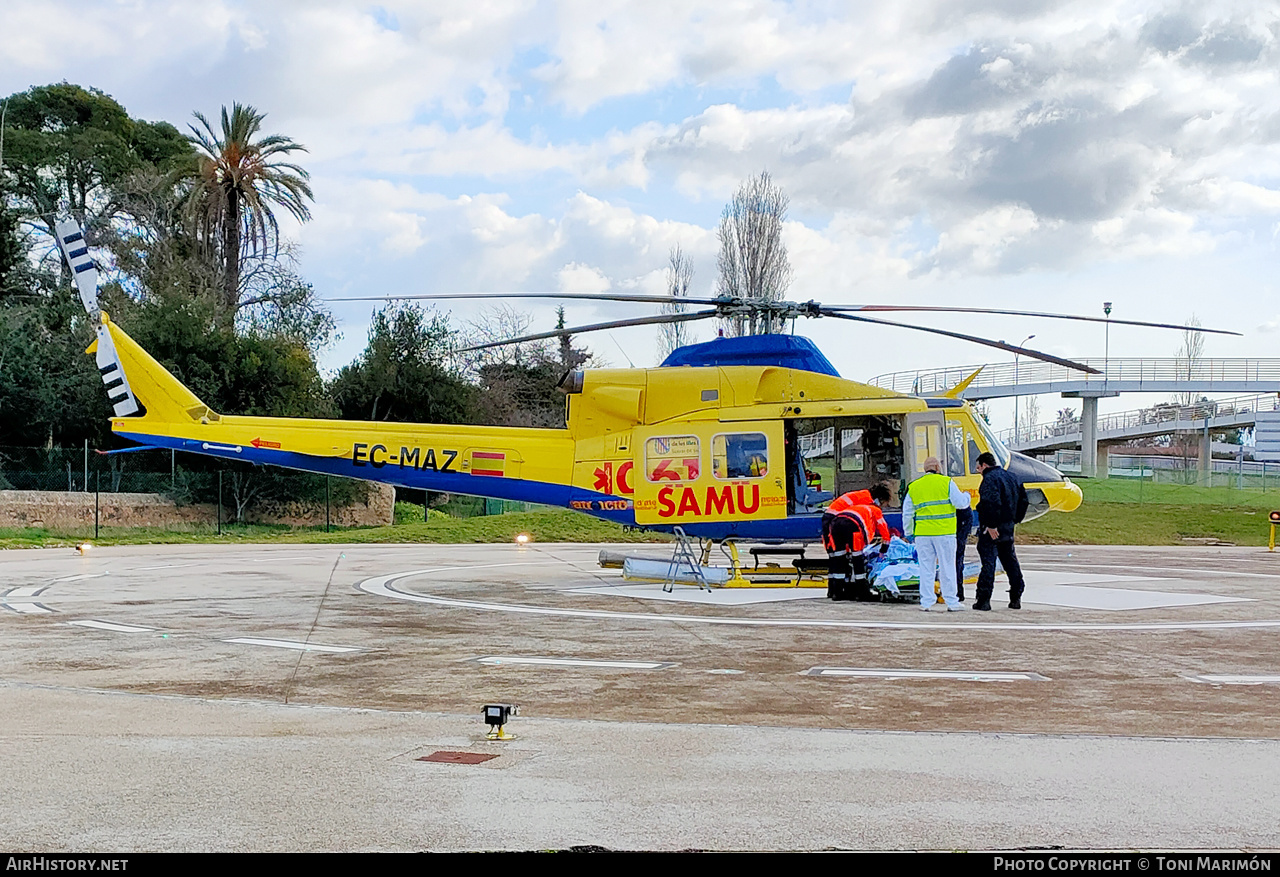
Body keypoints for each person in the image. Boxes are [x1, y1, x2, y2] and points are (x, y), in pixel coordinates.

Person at [903, 456, 971, 612]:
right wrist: (966, 496)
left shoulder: (914, 486)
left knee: (926, 568)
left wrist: (909, 533)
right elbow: (960, 503)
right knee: (947, 567)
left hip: (922, 534)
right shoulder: (946, 482)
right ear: (937, 467)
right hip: (944, 532)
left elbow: (907, 513)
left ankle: (926, 601)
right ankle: (952, 601)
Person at [973, 451, 1028, 611]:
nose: (979, 471)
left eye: (978, 468)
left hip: (992, 529)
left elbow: (991, 503)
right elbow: (1024, 501)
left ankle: (983, 600)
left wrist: (991, 525)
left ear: (984, 465)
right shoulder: (1013, 477)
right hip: (1008, 527)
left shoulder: (989, 480)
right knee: (1010, 562)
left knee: (988, 562)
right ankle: (1016, 596)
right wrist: (1014, 520)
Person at [821, 484, 892, 601]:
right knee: (856, 558)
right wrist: (884, 549)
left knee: (837, 558)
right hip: (846, 523)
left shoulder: (860, 498)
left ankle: (835, 592)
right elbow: (883, 529)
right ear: (879, 499)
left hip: (834, 523)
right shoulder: (870, 505)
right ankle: (861, 592)